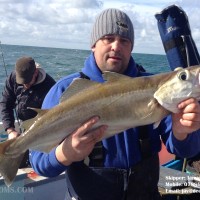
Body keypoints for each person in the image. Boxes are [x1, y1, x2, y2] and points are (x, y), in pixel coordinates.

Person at [29, 8, 200, 200]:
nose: (116, 46)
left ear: (131, 47)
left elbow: (186, 151)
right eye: (108, 38)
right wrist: (64, 153)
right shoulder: (64, 90)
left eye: (124, 41)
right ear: (94, 44)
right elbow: (37, 161)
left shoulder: (158, 88)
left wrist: (182, 133)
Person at [0, 56, 56, 166]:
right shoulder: (13, 78)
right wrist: (11, 130)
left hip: (42, 130)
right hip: (23, 128)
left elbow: (52, 117)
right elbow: (6, 104)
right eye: (22, 82)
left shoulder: (50, 86)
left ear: (35, 72)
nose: (25, 85)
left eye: (28, 82)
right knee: (15, 161)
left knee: (37, 163)